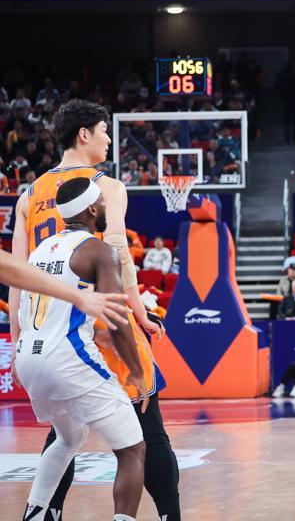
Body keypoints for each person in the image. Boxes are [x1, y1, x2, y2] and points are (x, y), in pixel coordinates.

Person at [10, 102, 181, 521]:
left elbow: (16, 276)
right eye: (104, 130)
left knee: (65, 435)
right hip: (101, 320)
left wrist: (19, 340)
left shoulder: (28, 195)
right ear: (83, 134)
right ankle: (169, 516)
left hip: (45, 330)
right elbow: (118, 253)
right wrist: (140, 314)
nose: (109, 139)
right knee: (146, 432)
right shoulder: (106, 186)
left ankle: (45, 512)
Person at [16, 177, 149, 521]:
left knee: (69, 437)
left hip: (28, 356)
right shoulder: (99, 251)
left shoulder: (41, 250)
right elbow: (117, 319)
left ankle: (34, 514)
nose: (105, 207)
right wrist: (136, 372)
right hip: (66, 357)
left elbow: (24, 310)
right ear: (92, 209)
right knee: (132, 449)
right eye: (102, 203)